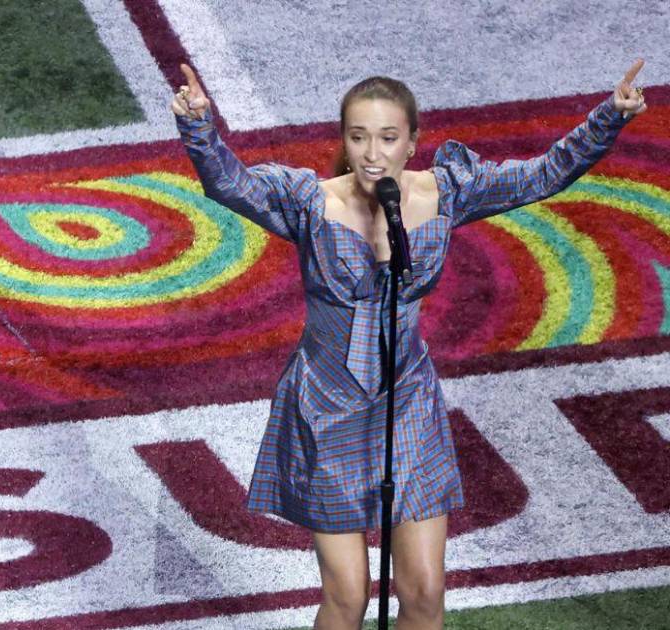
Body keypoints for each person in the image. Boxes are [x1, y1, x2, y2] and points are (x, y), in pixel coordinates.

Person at [172, 60, 647, 629]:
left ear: (412, 143)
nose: (372, 153)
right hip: (327, 408)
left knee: (424, 592)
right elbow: (231, 184)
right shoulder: (309, 203)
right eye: (359, 137)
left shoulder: (446, 193)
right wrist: (198, 125)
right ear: (344, 141)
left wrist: (610, 116)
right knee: (349, 595)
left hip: (408, 403)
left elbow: (543, 175)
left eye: (388, 138)